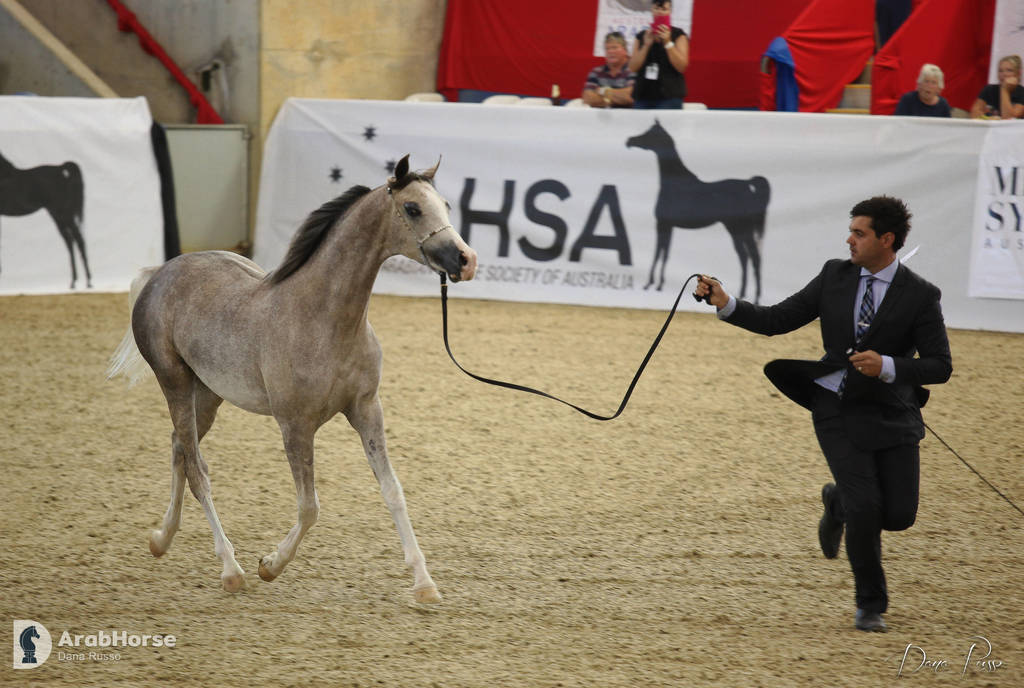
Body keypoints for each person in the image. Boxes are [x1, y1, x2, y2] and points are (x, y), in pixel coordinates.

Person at [693, 196, 952, 633]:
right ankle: (871, 604)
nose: (848, 239)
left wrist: (889, 365)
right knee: (868, 506)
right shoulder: (834, 275)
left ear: (887, 240)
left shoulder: (922, 295)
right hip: (836, 406)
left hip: (891, 411)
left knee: (899, 515)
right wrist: (726, 301)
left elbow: (940, 366)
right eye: (850, 230)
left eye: (859, 233)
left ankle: (837, 502)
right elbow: (778, 318)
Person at [628, 0, 689, 109]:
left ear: (670, 11)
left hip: (670, 96)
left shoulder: (679, 35)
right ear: (651, 10)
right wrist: (646, 46)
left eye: (664, 9)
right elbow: (632, 67)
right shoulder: (642, 36)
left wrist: (668, 43)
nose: (660, 12)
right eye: (656, 8)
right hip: (643, 95)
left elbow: (682, 66)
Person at [581, 32, 636, 108]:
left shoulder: (633, 71)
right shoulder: (596, 72)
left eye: (614, 47)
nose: (610, 51)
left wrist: (602, 91)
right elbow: (587, 98)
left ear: (625, 50)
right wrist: (617, 98)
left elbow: (630, 97)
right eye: (607, 48)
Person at [970, 54, 1024, 119]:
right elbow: (974, 113)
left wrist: (1004, 90)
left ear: (1018, 73)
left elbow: (1009, 118)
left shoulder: (1022, 93)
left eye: (1009, 70)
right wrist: (989, 119)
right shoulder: (989, 89)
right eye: (1000, 71)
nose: (1004, 74)